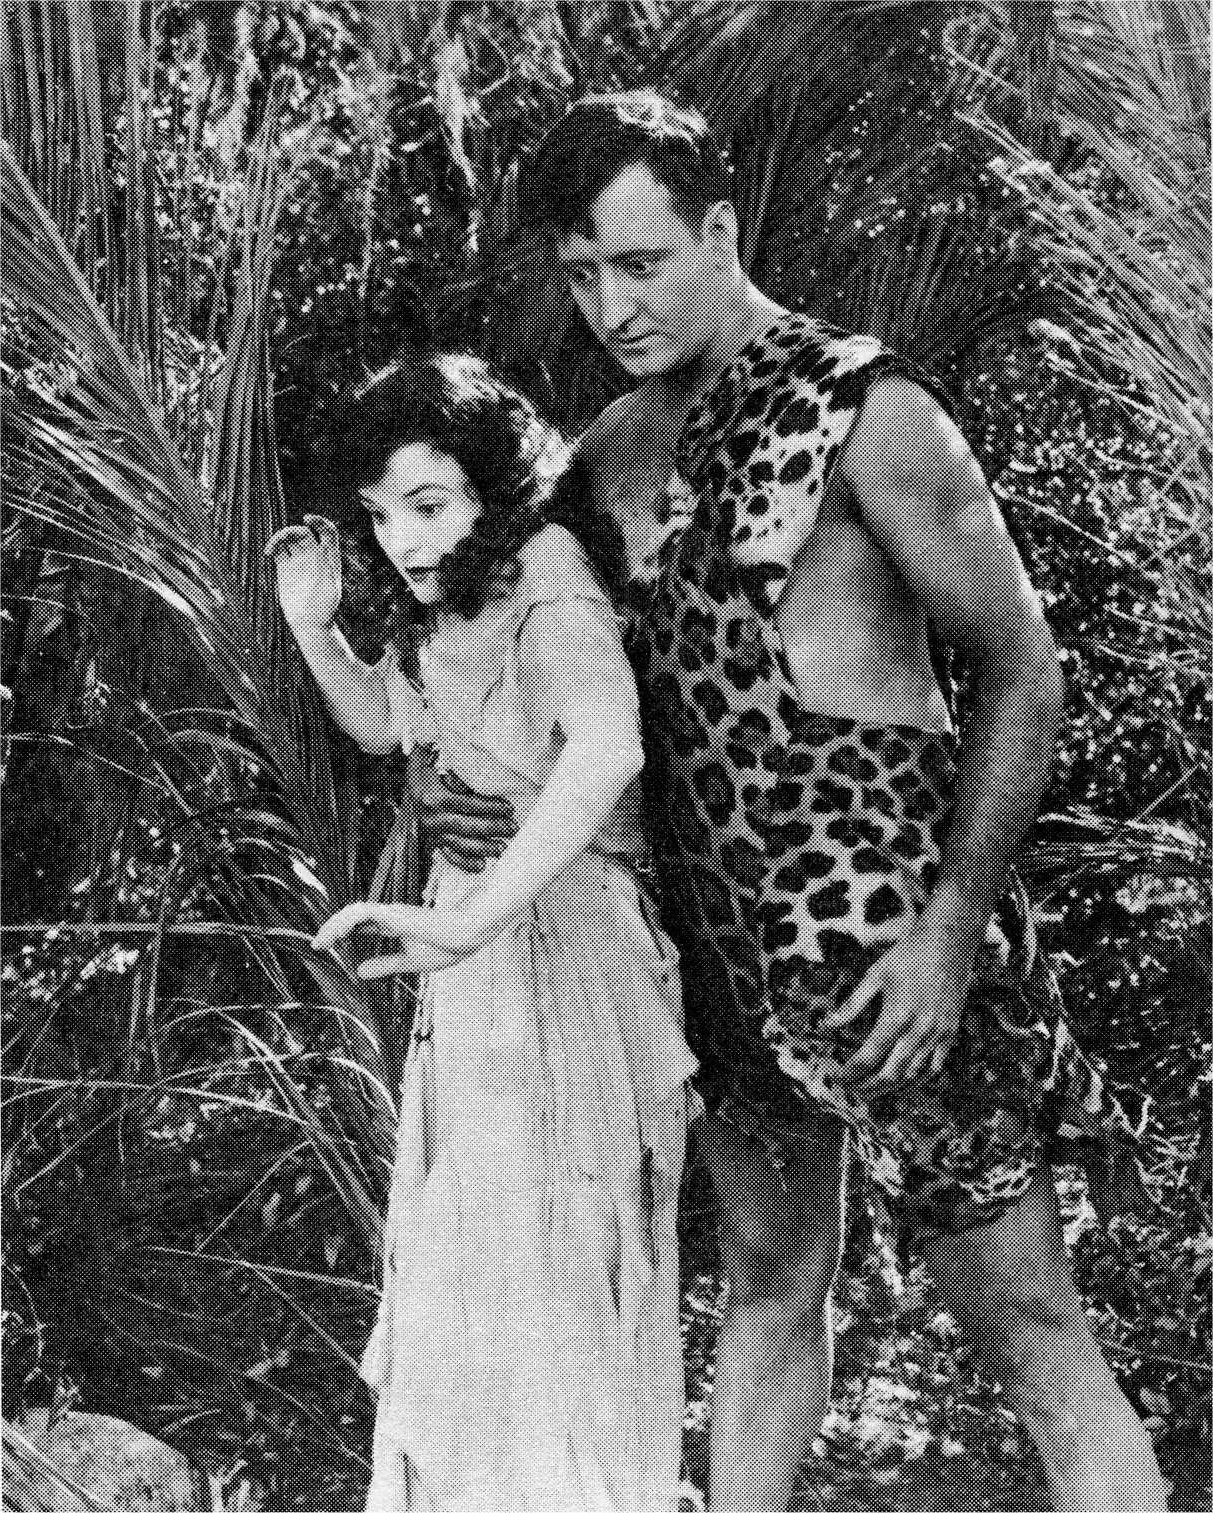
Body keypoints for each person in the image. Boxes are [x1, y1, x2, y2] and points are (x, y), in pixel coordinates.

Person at [416, 93, 1170, 1512]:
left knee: (1027, 1330)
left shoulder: (869, 409)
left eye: (641, 263)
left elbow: (1023, 671)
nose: (613, 307)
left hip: (891, 951)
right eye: (581, 276)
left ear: (719, 229)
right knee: (768, 1290)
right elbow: (530, 678)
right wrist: (449, 783)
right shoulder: (600, 456)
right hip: (715, 957)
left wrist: (951, 931)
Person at [267, 352, 696, 1512]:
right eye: (380, 514)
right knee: (480, 1267)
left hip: (566, 946)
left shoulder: (546, 575)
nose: (402, 539)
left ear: (491, 488)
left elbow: (607, 748)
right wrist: (313, 627)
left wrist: (473, 919)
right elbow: (385, 722)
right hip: (479, 954)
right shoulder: (454, 592)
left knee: (550, 1265)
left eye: (428, 504)